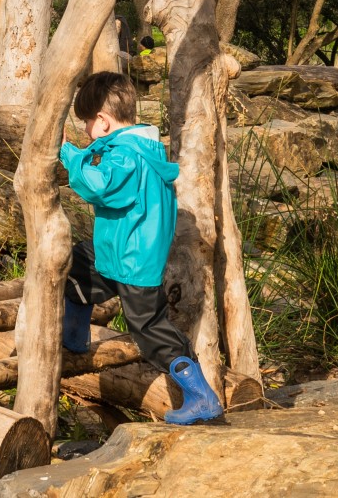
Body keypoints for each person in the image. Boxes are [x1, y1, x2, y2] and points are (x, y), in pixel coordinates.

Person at [58, 70, 224, 425]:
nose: (87, 131)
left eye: (87, 123)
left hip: (133, 264)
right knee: (75, 267)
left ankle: (202, 397)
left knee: (150, 331)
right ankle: (73, 340)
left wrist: (70, 154)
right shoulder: (142, 148)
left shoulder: (128, 156)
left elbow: (98, 186)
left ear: (102, 121)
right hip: (116, 256)